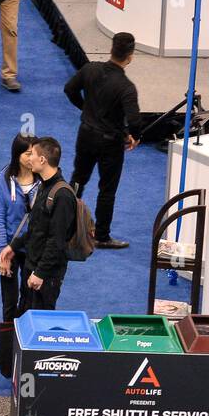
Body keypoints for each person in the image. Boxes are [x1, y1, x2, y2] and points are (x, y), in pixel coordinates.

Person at [65, 31, 140, 251]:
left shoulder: (90, 69)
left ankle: (64, 225)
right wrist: (134, 135)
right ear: (130, 56)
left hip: (86, 134)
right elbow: (134, 119)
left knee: (77, 180)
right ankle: (102, 235)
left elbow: (69, 89)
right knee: (107, 189)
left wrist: (85, 107)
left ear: (111, 49)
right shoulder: (126, 87)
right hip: (110, 144)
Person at [11, 137, 77, 311]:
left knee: (40, 324)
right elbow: (36, 228)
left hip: (45, 275)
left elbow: (57, 241)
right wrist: (13, 246)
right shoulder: (43, 186)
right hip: (32, 266)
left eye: (31, 154)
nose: (29, 158)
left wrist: (40, 273)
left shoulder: (62, 196)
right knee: (23, 317)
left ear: (42, 160)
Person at [0, 133, 41, 326]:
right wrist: (3, 253)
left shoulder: (44, 181)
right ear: (17, 154)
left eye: (35, 153)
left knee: (29, 300)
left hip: (33, 249)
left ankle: (24, 347)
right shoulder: (1, 181)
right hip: (10, 250)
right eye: (27, 154)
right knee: (9, 303)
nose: (32, 159)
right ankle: (8, 348)